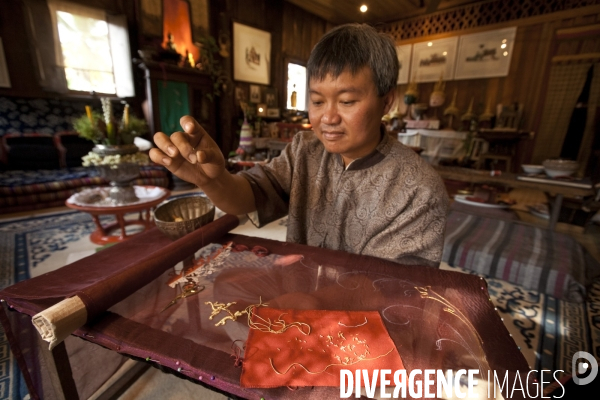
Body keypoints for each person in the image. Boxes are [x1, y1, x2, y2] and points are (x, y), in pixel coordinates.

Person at [150, 23, 449, 268]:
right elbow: (248, 196)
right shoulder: (305, 150)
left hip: (364, 330)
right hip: (298, 305)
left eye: (346, 101)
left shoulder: (417, 189)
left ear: (386, 101)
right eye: (317, 101)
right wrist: (211, 180)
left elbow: (398, 294)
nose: (327, 117)